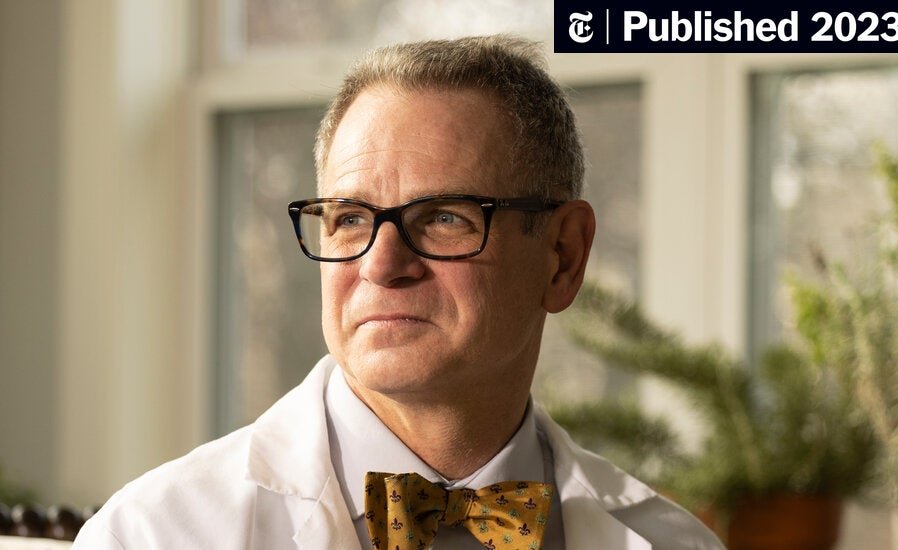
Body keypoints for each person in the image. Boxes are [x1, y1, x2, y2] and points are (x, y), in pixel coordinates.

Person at [73, 35, 724, 550]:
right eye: (350, 219)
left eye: (444, 217)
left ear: (563, 257)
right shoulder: (152, 535)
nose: (381, 265)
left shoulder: (674, 544)